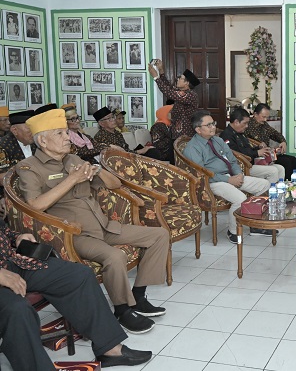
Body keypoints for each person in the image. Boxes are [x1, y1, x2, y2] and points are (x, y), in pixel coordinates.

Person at [17, 109, 170, 334]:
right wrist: (72, 179)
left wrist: (97, 170)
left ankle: (138, 297)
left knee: (159, 235)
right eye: (60, 134)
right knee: (115, 256)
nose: (67, 138)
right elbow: (35, 205)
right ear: (43, 140)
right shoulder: (29, 167)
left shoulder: (74, 159)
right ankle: (122, 310)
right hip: (74, 234)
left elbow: (114, 185)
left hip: (103, 224)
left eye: (66, 133)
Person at [0, 223, 152, 370]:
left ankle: (110, 350)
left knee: (79, 275)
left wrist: (17, 237)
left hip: (10, 262)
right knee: (17, 310)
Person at [183, 110, 270, 244]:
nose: (213, 127)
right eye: (209, 125)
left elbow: (232, 160)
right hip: (212, 182)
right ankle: (233, 231)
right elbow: (203, 173)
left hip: (231, 176)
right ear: (198, 129)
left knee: (264, 185)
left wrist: (238, 174)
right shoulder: (192, 148)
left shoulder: (217, 140)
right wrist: (228, 180)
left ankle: (255, 225)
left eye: (213, 123)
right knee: (240, 198)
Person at [221, 107, 284, 184]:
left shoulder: (240, 133)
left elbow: (248, 148)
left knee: (280, 168)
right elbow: (236, 154)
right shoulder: (227, 135)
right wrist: (257, 153)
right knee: (273, 171)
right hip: (243, 166)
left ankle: (280, 191)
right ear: (236, 122)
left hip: (252, 162)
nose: (247, 126)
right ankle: (269, 194)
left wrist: (259, 148)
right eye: (245, 123)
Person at [149, 59, 199, 139]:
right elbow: (169, 88)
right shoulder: (182, 92)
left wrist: (156, 77)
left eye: (181, 78)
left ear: (187, 83)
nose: (178, 79)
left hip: (185, 136)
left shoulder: (190, 95)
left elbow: (168, 92)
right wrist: (161, 70)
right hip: (177, 134)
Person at [246, 103, 296, 177]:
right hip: (258, 156)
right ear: (255, 114)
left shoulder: (264, 124)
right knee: (286, 162)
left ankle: (292, 184)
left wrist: (283, 141)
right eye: (263, 117)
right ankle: (285, 184)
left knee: (293, 159)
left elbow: (275, 133)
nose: (265, 120)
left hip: (268, 154)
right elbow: (245, 142)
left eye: (267, 117)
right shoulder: (247, 125)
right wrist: (258, 145)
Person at [93, 107, 161, 159]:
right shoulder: (100, 136)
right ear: (101, 123)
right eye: (109, 119)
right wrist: (140, 151)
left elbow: (126, 149)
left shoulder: (117, 133)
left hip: (128, 155)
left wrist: (141, 150)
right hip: (119, 160)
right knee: (151, 153)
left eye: (113, 117)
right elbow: (118, 153)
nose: (113, 120)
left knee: (152, 150)